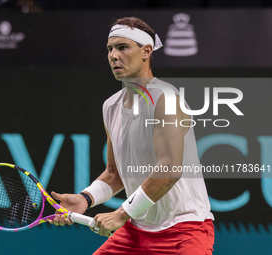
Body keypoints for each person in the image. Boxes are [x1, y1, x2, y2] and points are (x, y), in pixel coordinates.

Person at [49, 17, 215, 254]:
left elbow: (170, 171)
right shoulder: (110, 106)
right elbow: (115, 173)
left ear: (146, 51)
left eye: (122, 47)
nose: (113, 56)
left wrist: (120, 214)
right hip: (136, 231)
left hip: (185, 231)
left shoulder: (166, 98)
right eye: (110, 49)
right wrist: (85, 199)